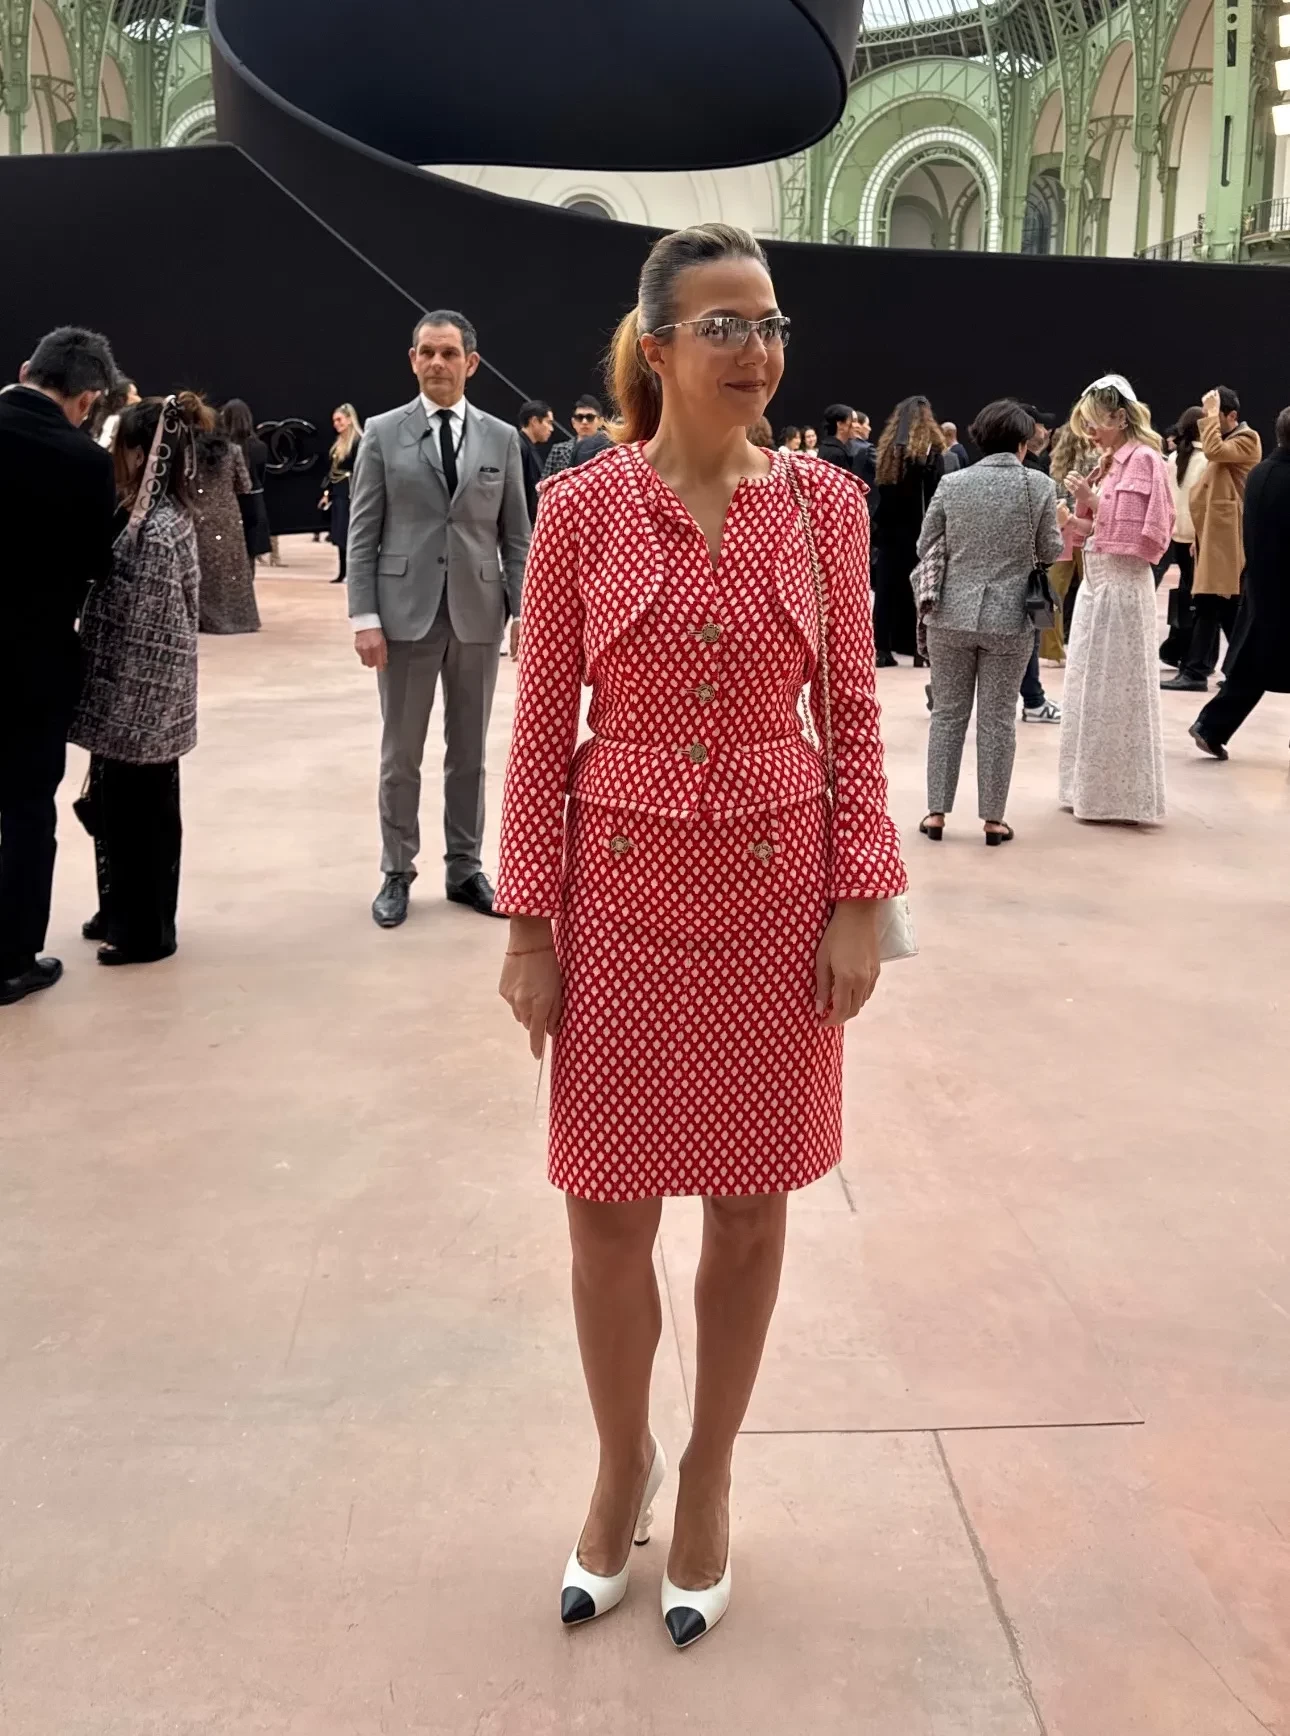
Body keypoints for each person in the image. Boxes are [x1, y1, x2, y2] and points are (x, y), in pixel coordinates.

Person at [495, 222, 906, 1650]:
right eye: (724, 325)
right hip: (613, 898)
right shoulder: (580, 509)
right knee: (606, 1210)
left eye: (770, 323)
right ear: (657, 347)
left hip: (776, 897)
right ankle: (623, 1466)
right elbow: (541, 729)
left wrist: (858, 899)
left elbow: (854, 714)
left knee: (748, 1203)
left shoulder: (826, 507)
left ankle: (711, 1470)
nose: (755, 350)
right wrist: (528, 929)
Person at [347, 309, 530, 927]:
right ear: (412, 360)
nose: (437, 363)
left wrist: (523, 613)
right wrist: (364, 617)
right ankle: (397, 870)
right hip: (404, 618)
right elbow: (363, 533)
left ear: (470, 363)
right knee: (401, 754)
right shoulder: (382, 433)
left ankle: (465, 868)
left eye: (449, 353)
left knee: (469, 753)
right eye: (426, 352)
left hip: (477, 615)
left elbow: (516, 538)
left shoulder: (501, 438)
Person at [0, 326, 117, 1006]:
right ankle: (12, 960)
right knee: (23, 811)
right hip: (32, 663)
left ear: (26, 369)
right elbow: (95, 565)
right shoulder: (83, 461)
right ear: (87, 399)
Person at [70, 397, 201, 966]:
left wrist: (130, 706)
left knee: (140, 818)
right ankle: (118, 911)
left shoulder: (157, 529)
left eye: (120, 444)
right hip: (129, 697)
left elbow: (153, 629)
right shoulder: (141, 516)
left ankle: (146, 932)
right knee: (116, 811)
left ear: (144, 453)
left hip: (141, 700)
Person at [917, 400, 1062, 846]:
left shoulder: (952, 483)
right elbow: (1050, 550)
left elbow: (925, 544)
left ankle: (936, 813)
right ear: (1023, 443)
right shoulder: (1039, 485)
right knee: (998, 720)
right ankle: (994, 821)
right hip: (1009, 619)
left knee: (947, 715)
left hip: (949, 615)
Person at [1059, 375, 1173, 824]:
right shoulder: (1109, 463)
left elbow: (1149, 532)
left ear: (1120, 417)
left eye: (1096, 422)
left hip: (1123, 587)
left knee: (1118, 689)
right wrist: (1074, 520)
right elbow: (1105, 530)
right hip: (1098, 585)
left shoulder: (1145, 459)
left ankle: (1120, 798)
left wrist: (1090, 500)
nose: (1090, 432)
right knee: (1092, 686)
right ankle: (1089, 791)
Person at [1189, 406, 1290, 758]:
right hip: (1282, 584)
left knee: (1253, 665)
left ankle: (1211, 726)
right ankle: (1210, 726)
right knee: (1255, 664)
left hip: (1261, 581)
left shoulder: (1261, 472)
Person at [1161, 386, 1261, 694]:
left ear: (1232, 416)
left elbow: (1214, 451)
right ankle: (1241, 670)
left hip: (1228, 539)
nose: (1209, 424)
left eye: (1215, 417)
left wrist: (1210, 416)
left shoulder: (1247, 439)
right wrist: (1200, 535)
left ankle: (1197, 671)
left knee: (1211, 603)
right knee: (1223, 606)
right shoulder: (1227, 441)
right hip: (1215, 537)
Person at [872, 396, 946, 667]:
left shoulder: (888, 452)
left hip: (889, 531)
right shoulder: (930, 453)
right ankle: (919, 649)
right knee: (920, 590)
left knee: (886, 591)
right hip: (918, 530)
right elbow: (936, 493)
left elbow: (883, 492)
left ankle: (882, 648)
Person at [186, 394, 259, 634]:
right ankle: (237, 617)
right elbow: (245, 485)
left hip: (198, 514)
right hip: (228, 515)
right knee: (230, 568)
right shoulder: (234, 451)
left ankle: (202, 617)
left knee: (202, 566)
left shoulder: (190, 453)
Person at [1040, 422, 1097, 663]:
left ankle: (1051, 650)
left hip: (1061, 530)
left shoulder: (1056, 464)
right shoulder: (1097, 461)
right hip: (1087, 531)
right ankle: (1092, 648)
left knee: (1051, 593)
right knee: (1093, 591)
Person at [1156, 405, 1206, 667]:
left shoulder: (1174, 459)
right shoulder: (1207, 460)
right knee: (1201, 601)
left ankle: (1177, 647)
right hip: (1197, 540)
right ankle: (1191, 653)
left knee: (1187, 596)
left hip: (1176, 536)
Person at [220, 398, 272, 565]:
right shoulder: (260, 447)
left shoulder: (223, 448)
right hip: (254, 502)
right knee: (250, 557)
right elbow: (261, 476)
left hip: (231, 502)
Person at [321, 404, 362, 584]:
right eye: (334, 421)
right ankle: (342, 571)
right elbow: (332, 471)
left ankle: (353, 572)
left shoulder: (359, 442)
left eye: (339, 419)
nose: (336, 424)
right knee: (339, 533)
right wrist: (327, 492)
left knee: (350, 533)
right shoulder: (338, 443)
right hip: (339, 492)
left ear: (350, 419)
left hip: (352, 492)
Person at [543, 395, 614, 476]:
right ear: (573, 422)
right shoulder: (559, 450)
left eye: (590, 417)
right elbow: (545, 481)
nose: (584, 422)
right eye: (579, 417)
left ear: (600, 421)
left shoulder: (609, 449)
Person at [518, 397, 555, 524]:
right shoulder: (519, 447)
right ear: (534, 421)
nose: (551, 429)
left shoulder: (524, 446)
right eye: (548, 422)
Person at [92, 377, 139, 451]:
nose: (139, 399)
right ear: (122, 398)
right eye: (135, 394)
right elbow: (101, 447)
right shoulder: (114, 420)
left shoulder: (113, 419)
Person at [817, 405, 857, 472]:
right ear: (840, 424)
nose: (857, 426)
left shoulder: (828, 447)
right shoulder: (836, 454)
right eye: (853, 421)